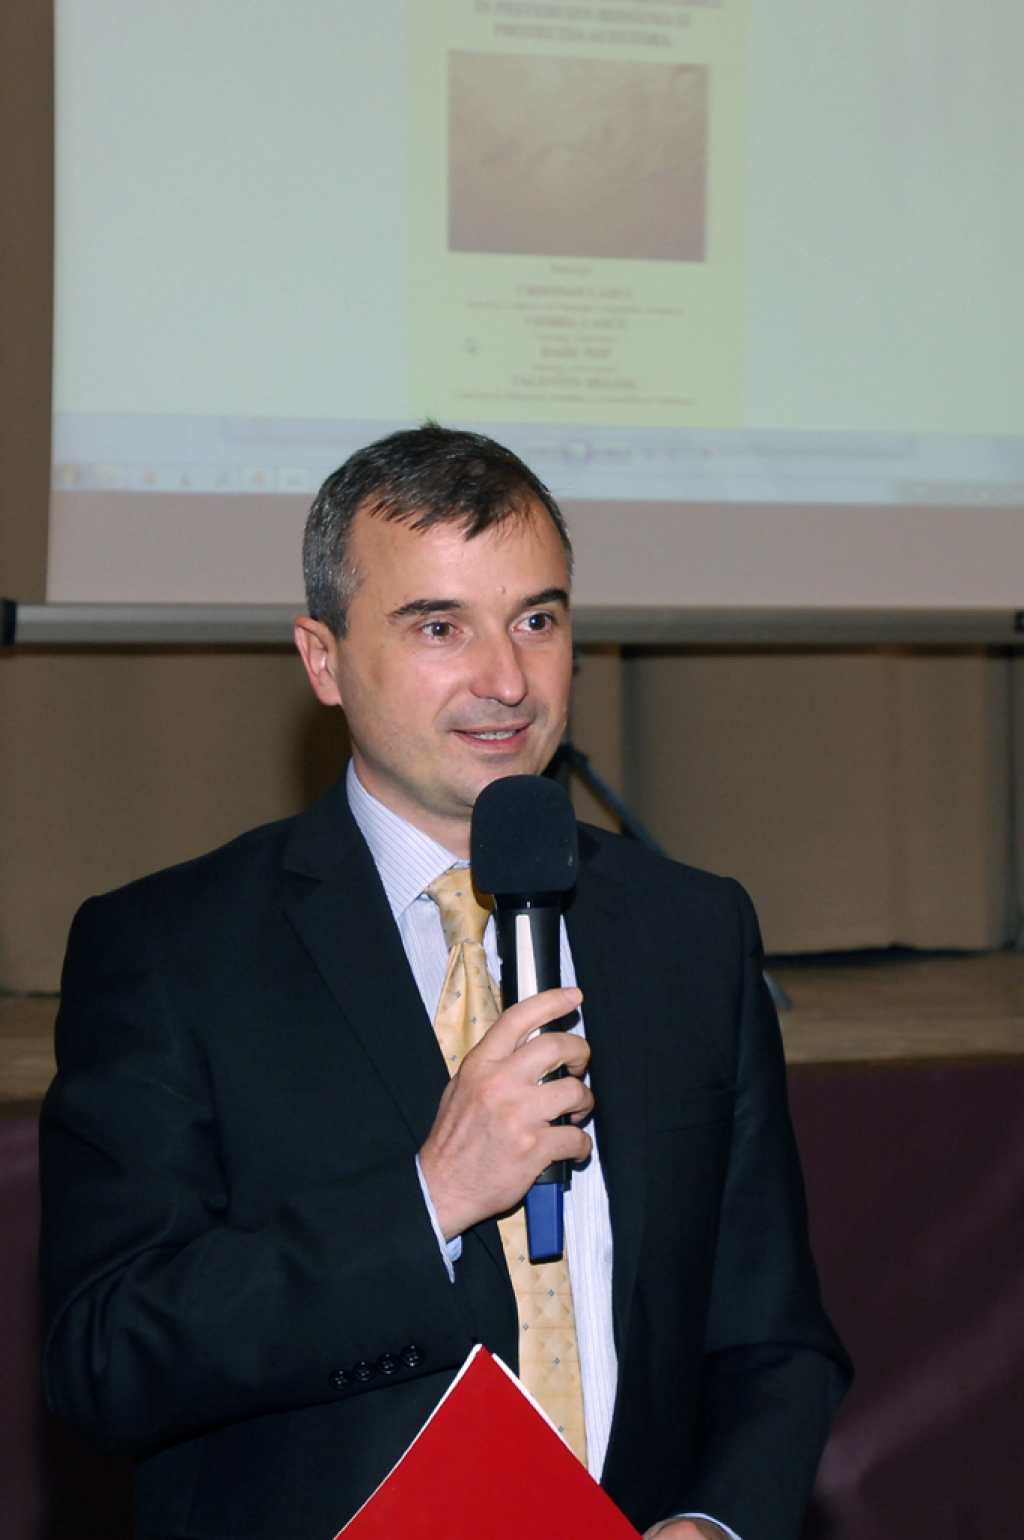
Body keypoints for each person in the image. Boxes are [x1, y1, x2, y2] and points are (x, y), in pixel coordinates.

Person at [39, 424, 849, 1540]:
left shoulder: (691, 930)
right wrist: (430, 1197)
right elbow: (107, 1358)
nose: (507, 681)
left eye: (536, 620)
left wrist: (716, 1522)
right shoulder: (170, 950)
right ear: (322, 660)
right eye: (439, 627)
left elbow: (773, 1340)